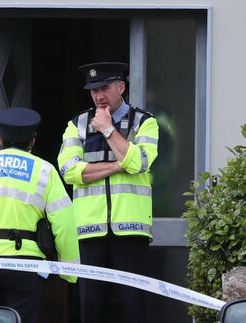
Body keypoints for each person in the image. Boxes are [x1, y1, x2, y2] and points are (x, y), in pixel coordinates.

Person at [57, 62, 159, 323]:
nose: (98, 96)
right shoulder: (77, 124)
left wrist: (107, 129)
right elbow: (69, 171)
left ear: (121, 87)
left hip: (131, 230)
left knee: (134, 308)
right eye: (93, 90)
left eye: (104, 88)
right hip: (90, 229)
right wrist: (119, 164)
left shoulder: (144, 122)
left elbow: (140, 163)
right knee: (91, 310)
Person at [0, 107, 79, 323]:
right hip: (24, 266)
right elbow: (64, 222)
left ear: (0, 139)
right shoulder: (44, 170)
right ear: (33, 141)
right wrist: (69, 271)